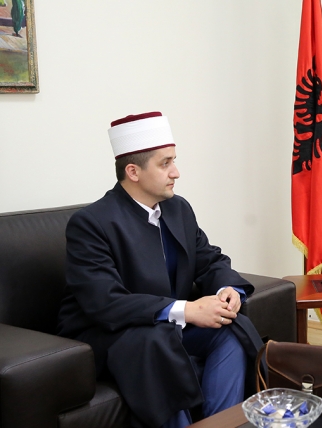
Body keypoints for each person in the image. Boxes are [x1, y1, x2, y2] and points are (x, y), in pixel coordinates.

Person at [57, 112, 265, 428]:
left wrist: (228, 290)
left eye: (174, 161)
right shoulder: (91, 223)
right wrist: (187, 310)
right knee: (154, 343)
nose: (176, 172)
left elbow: (210, 260)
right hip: (109, 333)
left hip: (165, 328)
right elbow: (105, 302)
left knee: (230, 326)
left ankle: (221, 422)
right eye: (165, 163)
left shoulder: (178, 208)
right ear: (133, 171)